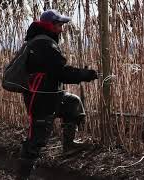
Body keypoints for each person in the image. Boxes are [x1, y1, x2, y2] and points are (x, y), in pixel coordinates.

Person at [16, 9, 98, 179]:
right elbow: (60, 72)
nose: (62, 29)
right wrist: (85, 74)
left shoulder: (43, 42)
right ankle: (22, 177)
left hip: (52, 95)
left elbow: (55, 71)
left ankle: (69, 145)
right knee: (36, 140)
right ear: (49, 25)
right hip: (40, 99)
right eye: (59, 25)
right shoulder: (43, 44)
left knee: (72, 104)